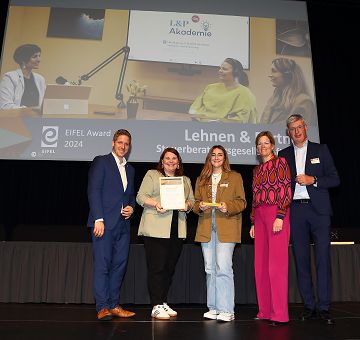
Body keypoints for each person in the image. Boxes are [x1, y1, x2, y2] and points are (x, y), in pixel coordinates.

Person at [278, 114, 340, 324]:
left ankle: (324, 306)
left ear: (306, 128)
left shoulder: (321, 150)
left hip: (319, 212)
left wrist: (313, 180)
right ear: (288, 132)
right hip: (295, 212)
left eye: (300, 127)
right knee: (301, 260)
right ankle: (309, 305)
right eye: (292, 129)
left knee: (323, 259)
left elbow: (334, 179)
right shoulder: (283, 154)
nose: (297, 131)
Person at [136, 147, 194, 320]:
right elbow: (140, 197)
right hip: (156, 228)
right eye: (167, 158)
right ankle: (156, 305)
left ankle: (163, 301)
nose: (170, 161)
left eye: (174, 158)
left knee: (169, 268)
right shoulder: (152, 175)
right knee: (157, 268)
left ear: (178, 163)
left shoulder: (185, 180)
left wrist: (188, 205)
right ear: (162, 161)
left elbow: (192, 200)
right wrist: (156, 204)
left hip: (177, 228)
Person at [193, 145, 246, 322]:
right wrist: (199, 206)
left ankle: (227, 310)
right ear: (209, 157)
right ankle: (214, 307)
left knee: (223, 267)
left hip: (227, 226)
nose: (216, 157)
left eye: (220, 155)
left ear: (225, 158)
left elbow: (242, 202)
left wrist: (228, 206)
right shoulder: (201, 179)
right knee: (210, 268)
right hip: (206, 227)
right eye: (213, 155)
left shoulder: (235, 177)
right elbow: (195, 203)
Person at [87, 129, 136, 321]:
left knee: (119, 265)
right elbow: (93, 191)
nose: (123, 146)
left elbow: (130, 195)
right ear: (113, 143)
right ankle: (102, 307)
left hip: (123, 226)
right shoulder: (101, 162)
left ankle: (114, 304)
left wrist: (132, 207)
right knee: (102, 265)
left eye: (126, 144)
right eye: (120, 142)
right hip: (104, 224)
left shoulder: (130, 169)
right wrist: (98, 219)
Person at [249, 131, 292, 326]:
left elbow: (285, 189)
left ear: (273, 146)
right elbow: (255, 197)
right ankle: (265, 310)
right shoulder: (257, 170)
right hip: (259, 216)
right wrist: (252, 221)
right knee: (261, 265)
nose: (263, 146)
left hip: (276, 213)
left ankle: (280, 313)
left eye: (266, 143)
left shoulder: (280, 162)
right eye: (260, 144)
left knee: (277, 265)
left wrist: (281, 216)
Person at [189, 58, 258, 123]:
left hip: (227, 132)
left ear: (235, 72)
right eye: (220, 68)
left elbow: (241, 120)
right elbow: (194, 109)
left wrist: (214, 121)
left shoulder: (244, 93)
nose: (220, 71)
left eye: (224, 69)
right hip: (201, 128)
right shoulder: (210, 87)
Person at [260, 58, 317, 126]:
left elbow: (301, 133)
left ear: (287, 76)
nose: (270, 75)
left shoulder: (304, 102)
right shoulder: (273, 100)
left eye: (274, 71)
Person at [0, 44, 46, 109]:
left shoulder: (40, 79)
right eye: (34, 56)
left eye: (39, 56)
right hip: (15, 118)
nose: (39, 60)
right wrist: (27, 111)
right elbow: (5, 105)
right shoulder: (10, 77)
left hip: (36, 119)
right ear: (23, 60)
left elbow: (44, 104)